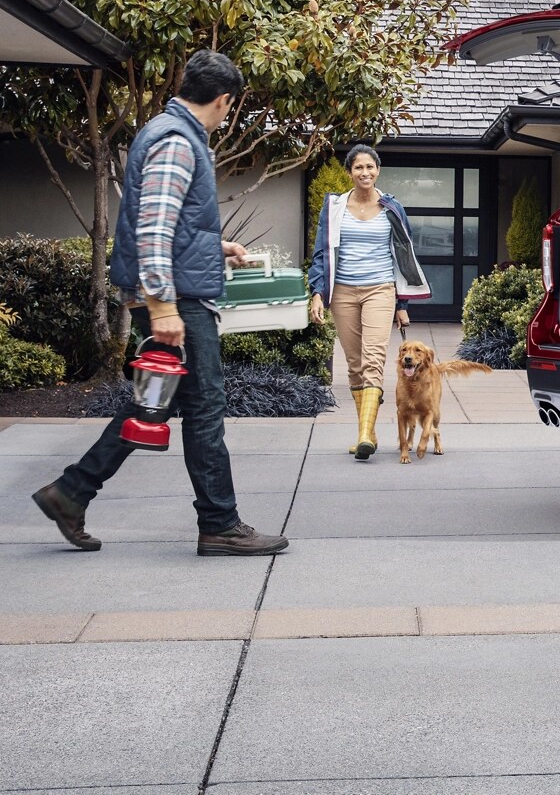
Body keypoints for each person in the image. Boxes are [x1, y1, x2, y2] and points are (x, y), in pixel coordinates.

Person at [32, 50, 289, 557]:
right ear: (222, 101)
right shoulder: (177, 141)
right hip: (179, 300)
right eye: (229, 106)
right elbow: (152, 229)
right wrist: (164, 305)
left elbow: (170, 224)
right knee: (206, 409)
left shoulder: (167, 131)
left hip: (176, 291)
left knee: (155, 403)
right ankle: (219, 524)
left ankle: (71, 493)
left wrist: (217, 247)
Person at [308, 144, 430, 460]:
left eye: (370, 167)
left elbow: (404, 256)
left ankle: (363, 435)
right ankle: (370, 431)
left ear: (378, 171)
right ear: (350, 173)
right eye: (358, 168)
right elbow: (321, 251)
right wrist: (317, 292)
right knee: (353, 363)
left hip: (380, 289)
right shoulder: (334, 208)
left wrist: (403, 305)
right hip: (343, 292)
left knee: (373, 357)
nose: (365, 173)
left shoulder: (392, 207)